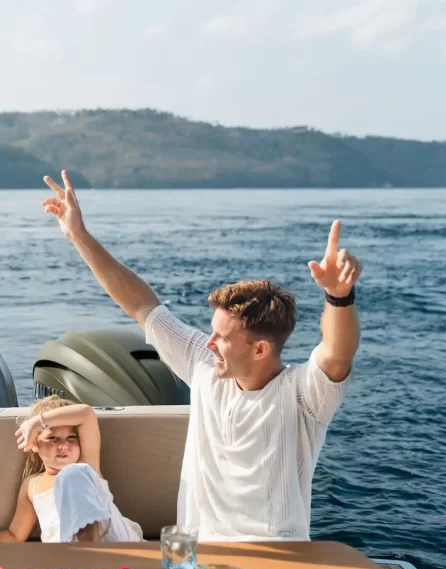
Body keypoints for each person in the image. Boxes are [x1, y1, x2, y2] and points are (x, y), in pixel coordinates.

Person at [40, 170, 362, 541]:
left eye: (222, 337)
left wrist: (339, 296)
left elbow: (338, 353)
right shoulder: (205, 367)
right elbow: (142, 304)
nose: (208, 343)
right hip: (196, 554)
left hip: (280, 556)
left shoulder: (303, 395)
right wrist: (78, 235)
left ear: (260, 349)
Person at [0, 396, 143, 543]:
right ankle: (83, 557)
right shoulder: (32, 484)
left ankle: (90, 550)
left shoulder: (87, 465)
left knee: (71, 474)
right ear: (35, 444)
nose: (64, 446)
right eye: (52, 438)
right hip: (67, 550)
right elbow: (15, 535)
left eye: (71, 438)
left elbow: (86, 414)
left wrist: (38, 422)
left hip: (115, 540)